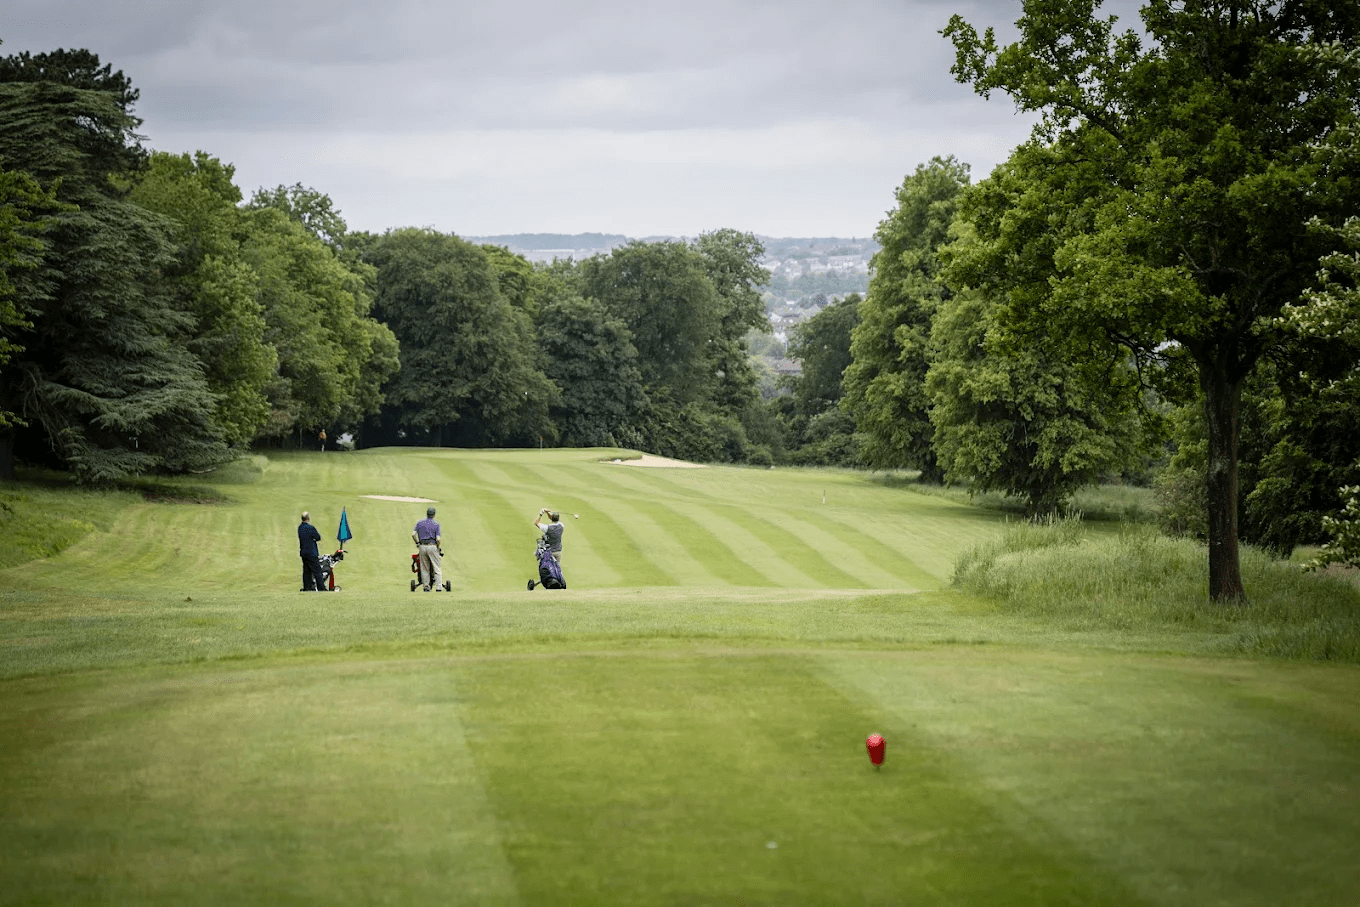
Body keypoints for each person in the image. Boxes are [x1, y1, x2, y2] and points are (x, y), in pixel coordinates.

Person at [412, 506, 443, 592]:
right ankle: (438, 587)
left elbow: (413, 534)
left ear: (427, 514)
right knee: (436, 567)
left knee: (425, 567)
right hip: (432, 545)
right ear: (434, 515)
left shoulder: (419, 522)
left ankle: (426, 587)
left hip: (422, 546)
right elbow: (438, 539)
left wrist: (417, 543)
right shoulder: (436, 524)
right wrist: (438, 547)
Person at [298, 511, 326, 591]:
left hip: (303, 552)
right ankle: (321, 588)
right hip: (311, 552)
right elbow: (318, 537)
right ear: (308, 518)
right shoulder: (310, 528)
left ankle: (307, 587)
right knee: (317, 571)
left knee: (306, 571)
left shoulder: (300, 528)